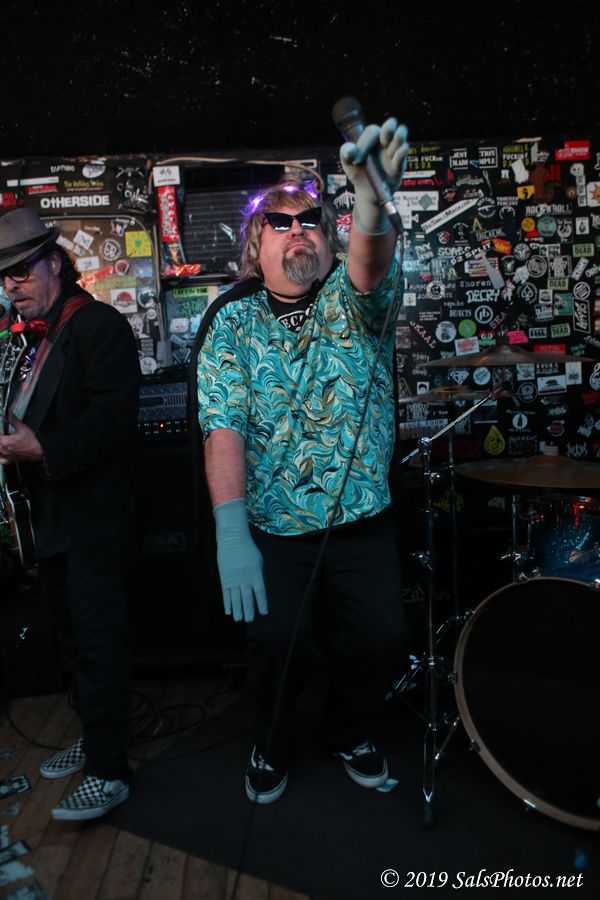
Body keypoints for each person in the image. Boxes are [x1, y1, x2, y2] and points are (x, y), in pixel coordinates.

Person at [195, 117, 410, 803]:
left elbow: (369, 265)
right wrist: (231, 533)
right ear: (255, 245)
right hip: (274, 529)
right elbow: (223, 427)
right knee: (276, 648)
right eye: (280, 223)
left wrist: (370, 206)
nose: (298, 231)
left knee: (381, 638)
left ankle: (351, 730)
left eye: (311, 221)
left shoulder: (353, 302)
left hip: (361, 521)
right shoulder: (231, 321)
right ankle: (272, 742)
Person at [0, 207, 139, 821]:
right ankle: (94, 738)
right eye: (4, 276)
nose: (12, 284)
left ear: (54, 262)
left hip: (95, 523)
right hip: (53, 523)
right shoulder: (35, 338)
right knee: (73, 642)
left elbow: (114, 421)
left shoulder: (98, 324)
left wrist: (42, 449)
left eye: (21, 271)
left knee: (100, 643)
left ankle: (111, 772)